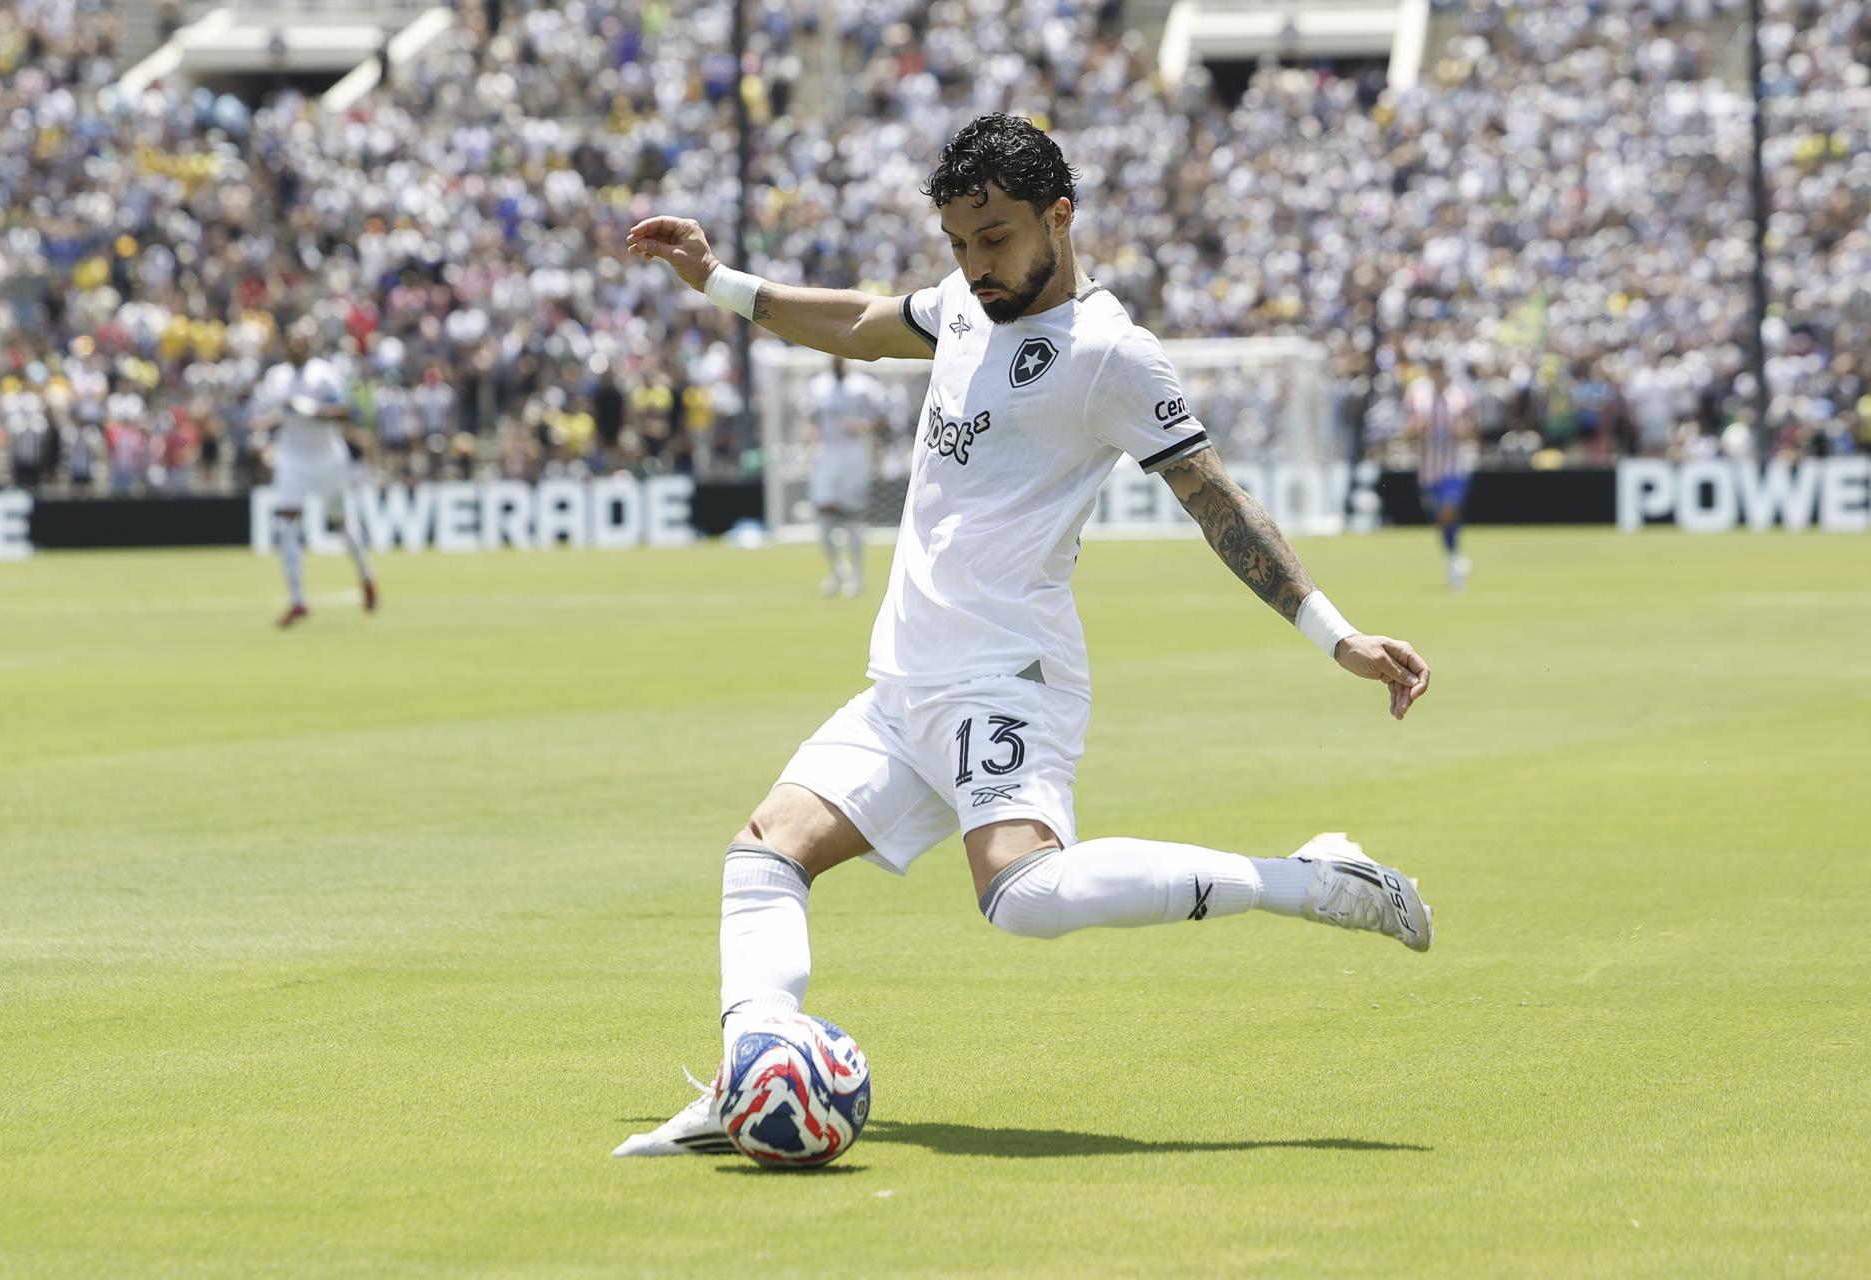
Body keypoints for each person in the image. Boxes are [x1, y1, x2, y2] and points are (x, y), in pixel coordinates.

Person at [614, 115, 1434, 1158]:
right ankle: (755, 1071)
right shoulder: (965, 305)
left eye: (994, 237)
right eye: (958, 242)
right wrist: (718, 280)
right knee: (764, 854)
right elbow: (862, 320)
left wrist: (1336, 635)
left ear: (1060, 215)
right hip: (905, 681)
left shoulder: (1110, 354)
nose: (975, 264)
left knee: (1024, 896)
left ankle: (1314, 878)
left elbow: (1215, 500)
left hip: (1006, 676)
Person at [258, 330, 379, 628]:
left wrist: (308, 408)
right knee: (287, 525)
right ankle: (298, 600)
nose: (295, 347)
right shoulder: (277, 376)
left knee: (341, 523)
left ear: (309, 347)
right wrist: (265, 424)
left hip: (326, 459)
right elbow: (283, 413)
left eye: (300, 343)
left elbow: (345, 411)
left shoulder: (324, 374)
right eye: (291, 343)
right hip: (292, 458)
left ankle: (366, 574)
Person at [804, 356, 888, 596]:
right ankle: (836, 571)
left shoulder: (864, 386)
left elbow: (883, 416)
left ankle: (858, 576)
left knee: (853, 518)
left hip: (854, 455)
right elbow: (810, 419)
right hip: (827, 454)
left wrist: (864, 426)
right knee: (823, 514)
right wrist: (811, 438)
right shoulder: (817, 386)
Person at [1407, 357, 1475, 591]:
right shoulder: (1419, 396)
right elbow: (1406, 430)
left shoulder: (1459, 397)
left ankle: (1455, 561)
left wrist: (1462, 430)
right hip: (1428, 470)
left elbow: (1473, 429)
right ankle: (1454, 556)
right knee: (1441, 519)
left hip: (1452, 466)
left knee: (1448, 508)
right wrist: (1417, 428)